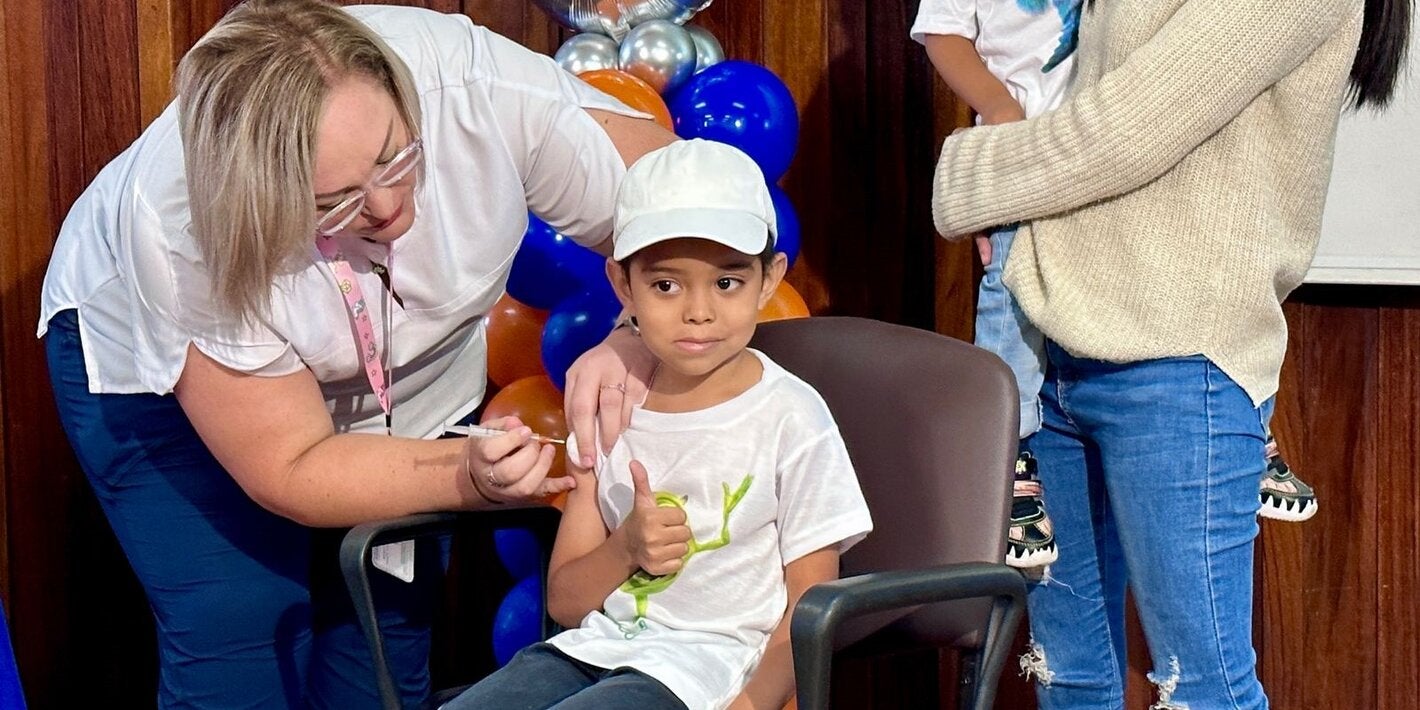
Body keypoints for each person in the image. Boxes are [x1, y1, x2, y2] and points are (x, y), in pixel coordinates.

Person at [37, 1, 673, 707]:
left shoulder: (474, 87)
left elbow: (685, 199)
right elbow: (293, 463)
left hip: (418, 380)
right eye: (334, 202)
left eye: (394, 155)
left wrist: (635, 335)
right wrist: (463, 473)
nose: (388, 206)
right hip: (174, 386)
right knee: (245, 630)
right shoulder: (178, 226)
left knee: (381, 629)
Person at [928, 0, 1408, 707]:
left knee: (1201, 690)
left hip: (1180, 363)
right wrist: (1022, 229)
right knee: (1068, 680)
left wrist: (970, 180)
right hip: (1052, 341)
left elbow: (1123, 133)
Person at [446, 139, 874, 710]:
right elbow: (567, 603)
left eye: (727, 282)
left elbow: (812, 606)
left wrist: (750, 704)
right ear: (623, 286)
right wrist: (625, 549)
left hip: (708, 673)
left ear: (769, 279)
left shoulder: (791, 416)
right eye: (666, 285)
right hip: (589, 653)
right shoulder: (610, 411)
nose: (698, 311)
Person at [911, 0, 1084, 569]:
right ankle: (1007, 460)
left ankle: (1249, 428)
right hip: (1023, 155)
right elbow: (942, 32)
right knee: (1010, 306)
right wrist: (1000, 108)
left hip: (1104, 153)